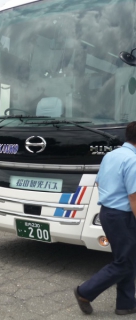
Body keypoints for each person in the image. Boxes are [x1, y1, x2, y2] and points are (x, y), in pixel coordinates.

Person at [74, 121, 136, 316]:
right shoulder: (133, 161)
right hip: (122, 216)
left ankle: (126, 304)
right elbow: (134, 197)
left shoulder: (111, 155)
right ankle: (84, 292)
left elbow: (99, 181)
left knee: (127, 258)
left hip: (108, 213)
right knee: (124, 262)